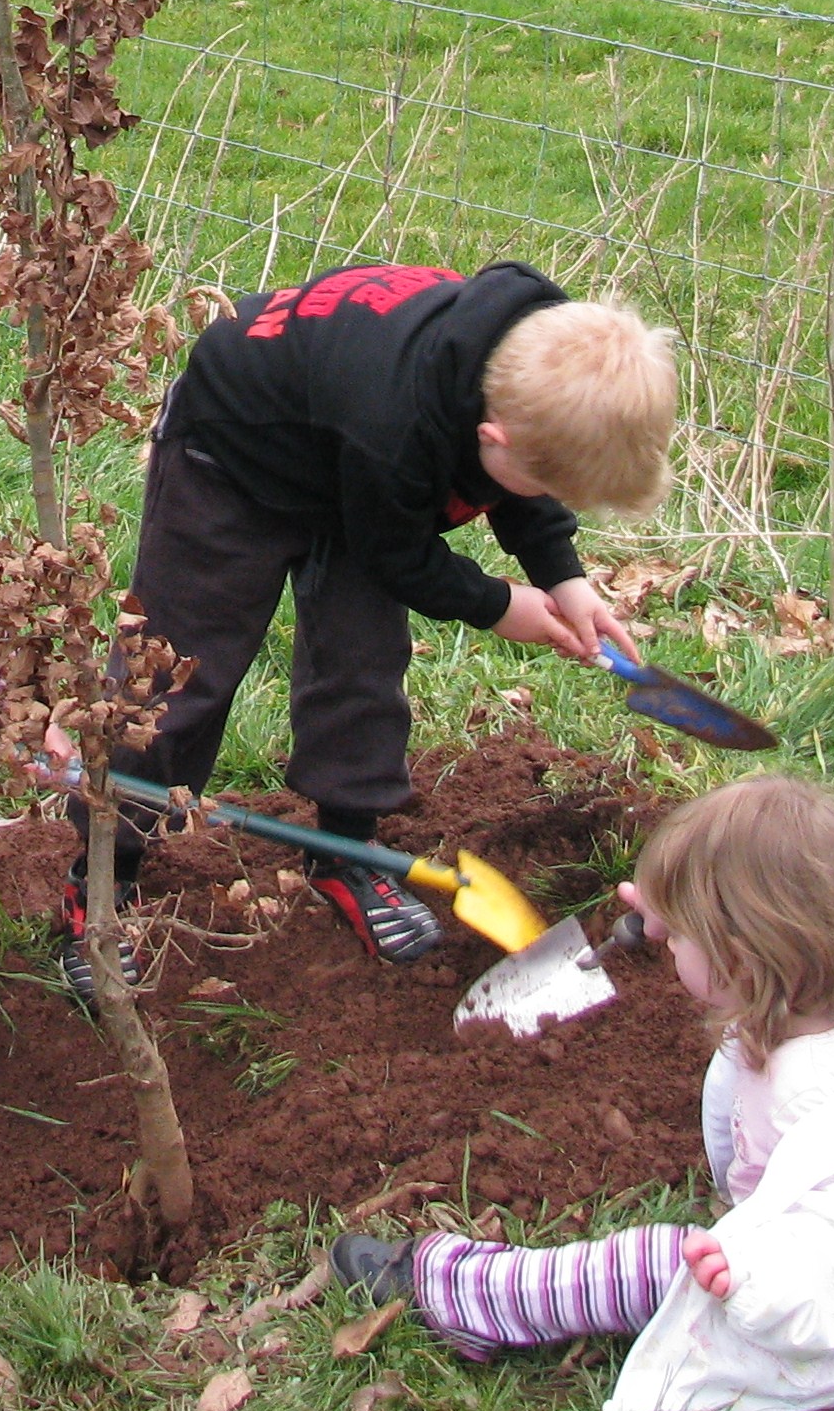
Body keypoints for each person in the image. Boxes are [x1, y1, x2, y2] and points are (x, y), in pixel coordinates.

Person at [329, 775, 834, 1411]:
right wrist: (673, 906)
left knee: (651, 1262)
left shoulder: (826, 1111)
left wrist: (751, 1275)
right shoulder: (829, 998)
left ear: (738, 958)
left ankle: (473, 1294)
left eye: (678, 934)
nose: (659, 943)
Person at [59, 261, 676, 999]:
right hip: (231, 453)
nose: (542, 497)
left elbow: (524, 477)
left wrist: (562, 575)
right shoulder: (396, 419)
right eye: (540, 483)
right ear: (491, 435)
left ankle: (345, 850)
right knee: (175, 676)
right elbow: (397, 555)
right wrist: (498, 606)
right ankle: (102, 878)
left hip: (349, 455)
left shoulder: (535, 365)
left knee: (361, 661)